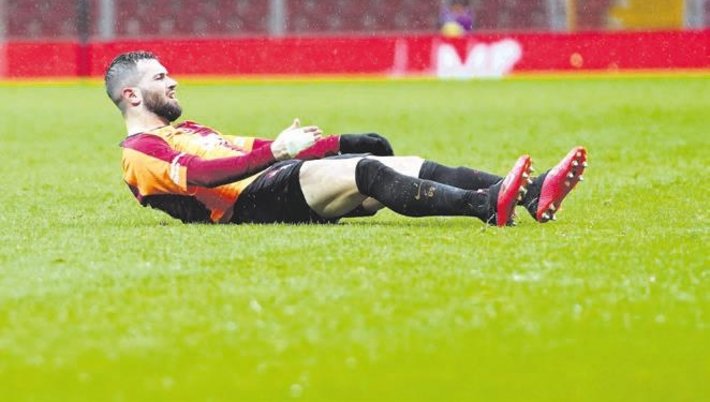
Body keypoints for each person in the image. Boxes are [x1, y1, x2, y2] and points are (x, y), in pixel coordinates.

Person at [105, 51, 587, 227]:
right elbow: (204, 176)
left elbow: (258, 148)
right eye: (160, 78)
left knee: (405, 163)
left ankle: (530, 192)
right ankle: (485, 204)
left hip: (272, 182)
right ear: (132, 95)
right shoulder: (140, 154)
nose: (173, 82)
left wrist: (336, 141)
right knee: (367, 172)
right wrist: (277, 152)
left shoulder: (186, 130)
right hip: (249, 205)